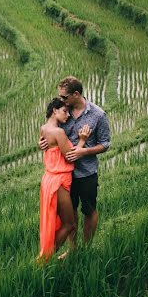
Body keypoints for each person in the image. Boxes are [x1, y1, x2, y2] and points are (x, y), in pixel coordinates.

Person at [40, 75, 111, 250]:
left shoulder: (98, 115)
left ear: (76, 94)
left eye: (64, 96)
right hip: (65, 176)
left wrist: (84, 150)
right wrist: (43, 142)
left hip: (86, 173)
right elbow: (51, 131)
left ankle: (86, 249)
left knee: (88, 210)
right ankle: (73, 250)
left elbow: (105, 144)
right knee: (70, 214)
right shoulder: (64, 111)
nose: (61, 99)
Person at [38, 97, 87, 261]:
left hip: (49, 179)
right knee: (69, 224)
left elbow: (48, 149)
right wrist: (82, 141)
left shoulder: (43, 128)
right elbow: (70, 157)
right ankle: (44, 259)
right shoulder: (58, 132)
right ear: (55, 110)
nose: (68, 115)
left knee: (61, 221)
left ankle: (46, 257)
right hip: (58, 181)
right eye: (65, 111)